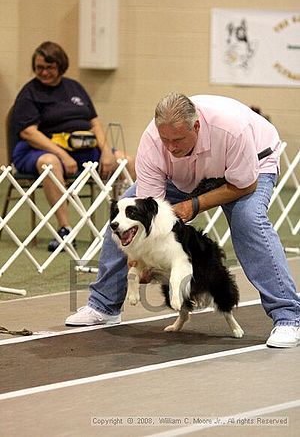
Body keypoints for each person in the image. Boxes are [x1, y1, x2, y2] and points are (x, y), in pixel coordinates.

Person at [66, 92, 300, 348]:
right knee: (126, 215)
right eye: (165, 140)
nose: (171, 147)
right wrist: (137, 258)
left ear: (196, 126)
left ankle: (288, 317)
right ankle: (104, 306)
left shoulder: (232, 130)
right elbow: (147, 213)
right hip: (184, 175)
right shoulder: (153, 141)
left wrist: (194, 204)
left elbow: (244, 185)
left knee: (249, 221)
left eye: (177, 140)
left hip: (250, 166)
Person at [11, 41, 135, 251]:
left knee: (127, 161)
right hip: (39, 150)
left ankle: (130, 225)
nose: (44, 72)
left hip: (83, 149)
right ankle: (64, 230)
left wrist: (106, 152)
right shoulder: (29, 93)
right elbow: (28, 132)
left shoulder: (74, 87)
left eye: (49, 67)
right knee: (50, 164)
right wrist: (61, 154)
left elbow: (94, 122)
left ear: (60, 66)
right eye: (39, 67)